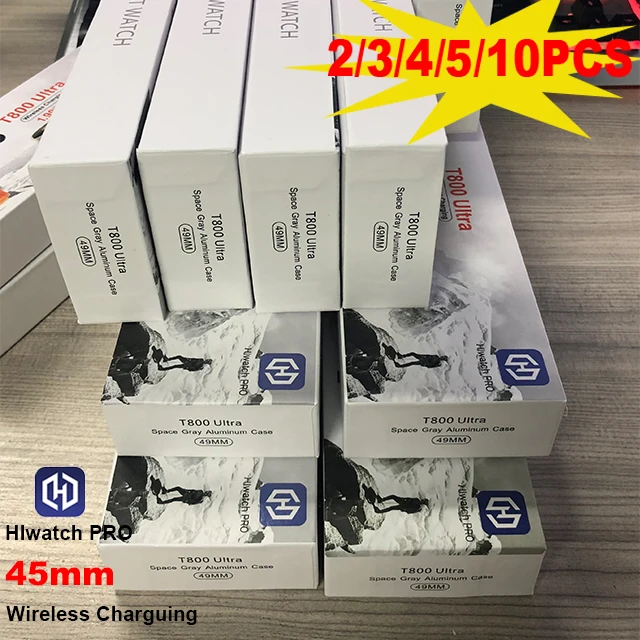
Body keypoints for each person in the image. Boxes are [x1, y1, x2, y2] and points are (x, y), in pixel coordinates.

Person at [363, 485, 430, 515]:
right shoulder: (417, 502)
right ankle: (381, 501)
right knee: (393, 498)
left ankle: (380, 509)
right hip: (403, 502)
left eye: (423, 501)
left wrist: (404, 508)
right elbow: (409, 500)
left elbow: (409, 510)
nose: (422, 500)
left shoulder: (417, 507)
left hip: (404, 505)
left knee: (392, 506)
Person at [383, 344, 448, 370]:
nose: (442, 357)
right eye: (443, 356)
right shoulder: (436, 356)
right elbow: (428, 355)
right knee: (413, 354)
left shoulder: (437, 363)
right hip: (423, 358)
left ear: (443, 359)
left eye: (443, 358)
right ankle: (402, 356)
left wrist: (425, 364)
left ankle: (400, 365)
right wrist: (423, 355)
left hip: (424, 362)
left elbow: (430, 366)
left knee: (412, 363)